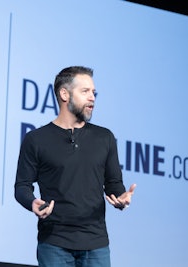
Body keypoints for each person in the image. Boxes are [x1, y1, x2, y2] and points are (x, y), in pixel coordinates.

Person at [15, 66, 136, 267]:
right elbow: (21, 186)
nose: (92, 98)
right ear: (64, 94)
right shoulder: (36, 139)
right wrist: (32, 202)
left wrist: (121, 197)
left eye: (94, 92)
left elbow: (114, 184)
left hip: (96, 244)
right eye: (85, 91)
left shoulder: (104, 138)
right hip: (54, 243)